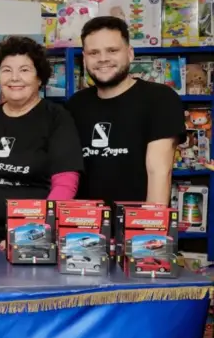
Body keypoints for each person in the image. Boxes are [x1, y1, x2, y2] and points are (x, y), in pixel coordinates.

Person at [0, 36, 83, 243]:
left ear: (40, 78)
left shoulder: (56, 118)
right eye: (7, 70)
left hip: (31, 237)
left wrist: (32, 234)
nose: (15, 78)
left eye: (25, 70)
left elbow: (65, 183)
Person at [66, 16, 183, 205]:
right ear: (84, 58)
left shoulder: (159, 99)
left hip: (137, 226)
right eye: (94, 52)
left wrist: (150, 228)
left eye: (112, 50)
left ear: (129, 53)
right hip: (84, 226)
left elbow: (159, 171)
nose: (103, 59)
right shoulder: (75, 104)